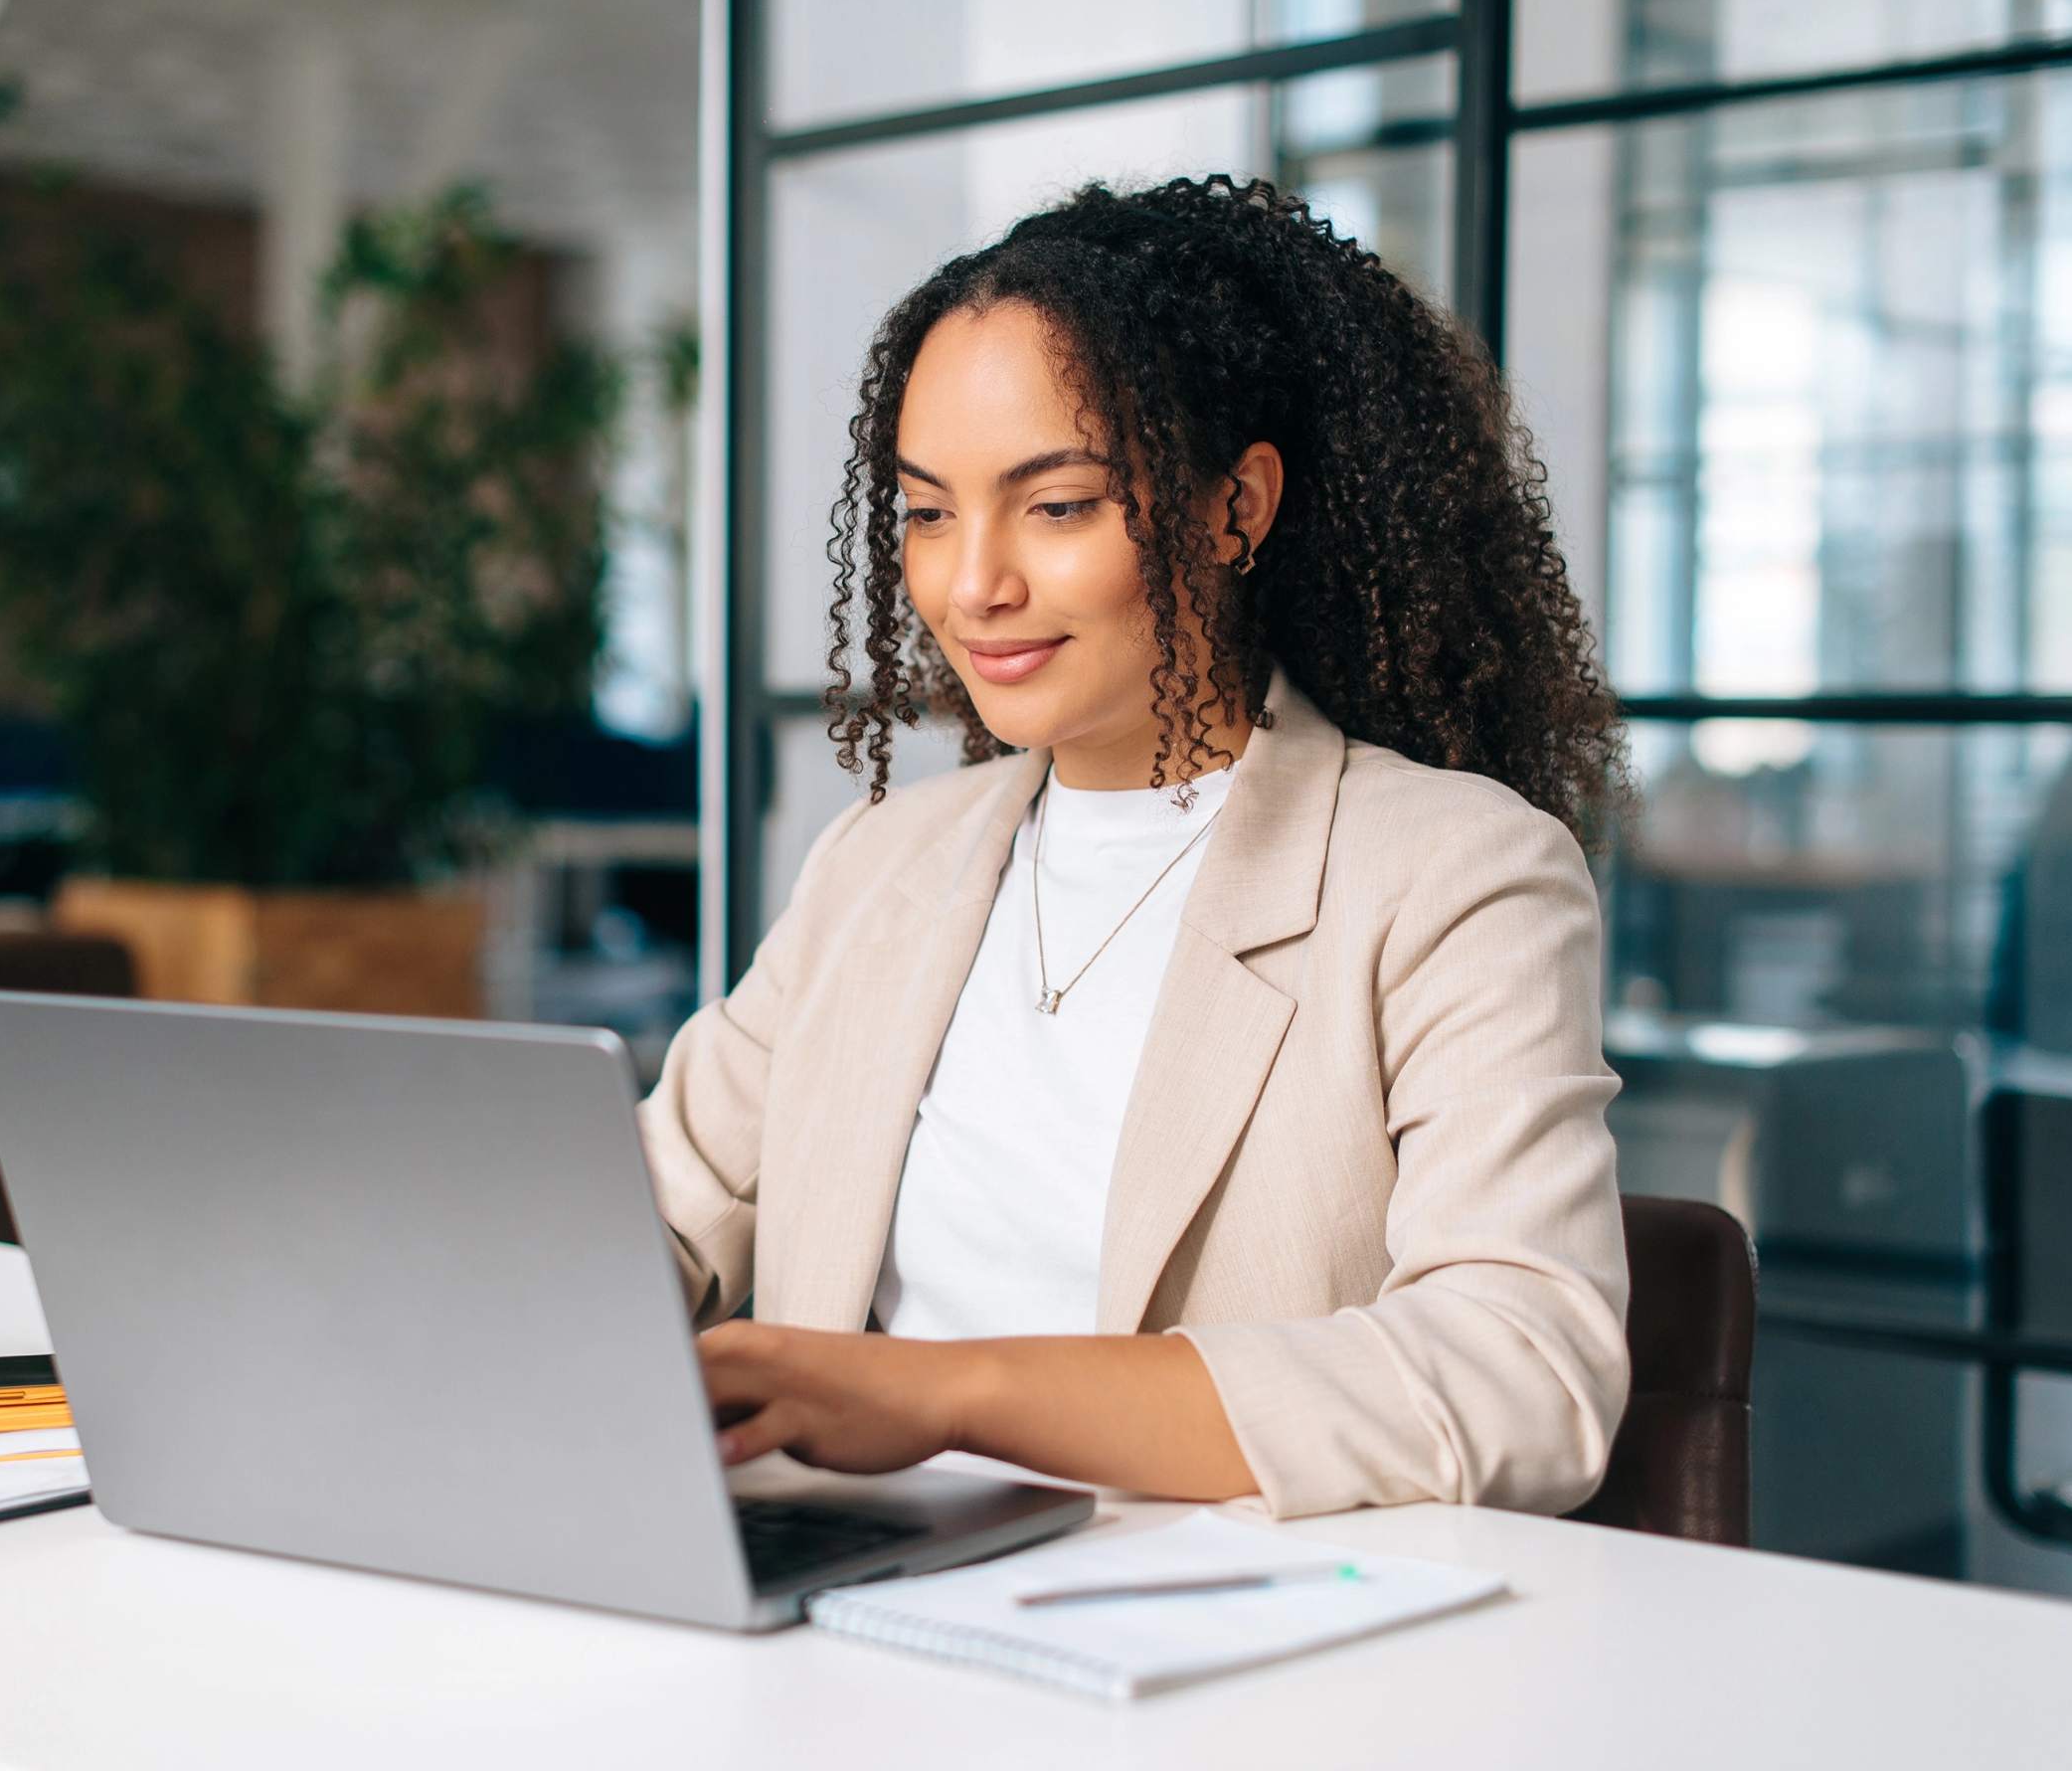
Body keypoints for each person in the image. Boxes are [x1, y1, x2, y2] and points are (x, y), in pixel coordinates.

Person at [642, 176, 1630, 1517]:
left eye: (1056, 507)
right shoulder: (879, 866)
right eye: (928, 513)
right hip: (850, 1617)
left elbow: (1525, 1373)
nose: (973, 583)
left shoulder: (1454, 875)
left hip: (1212, 1656)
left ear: (1236, 509)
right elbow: (635, 1218)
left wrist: (944, 1395)